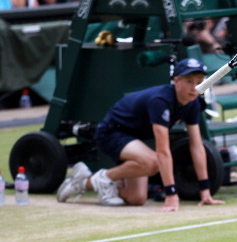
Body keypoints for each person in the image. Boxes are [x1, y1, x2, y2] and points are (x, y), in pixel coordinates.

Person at [57, 58, 225, 211]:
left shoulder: (193, 102)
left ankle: (82, 181)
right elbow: (163, 151)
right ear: (176, 81)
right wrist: (171, 194)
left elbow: (196, 146)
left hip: (134, 138)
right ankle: (105, 178)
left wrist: (205, 190)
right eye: (189, 81)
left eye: (199, 82)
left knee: (136, 198)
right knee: (153, 163)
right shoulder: (160, 101)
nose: (194, 87)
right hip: (111, 132)